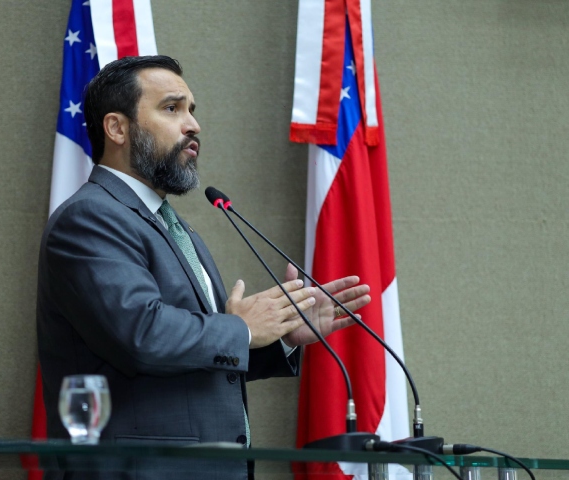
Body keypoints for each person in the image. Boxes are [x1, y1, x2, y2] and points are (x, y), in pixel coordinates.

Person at [36, 55, 371, 480]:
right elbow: (142, 335)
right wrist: (243, 329)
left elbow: (194, 358)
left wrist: (280, 335)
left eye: (191, 110)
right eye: (172, 108)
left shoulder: (172, 226)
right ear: (117, 128)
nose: (193, 125)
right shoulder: (90, 218)